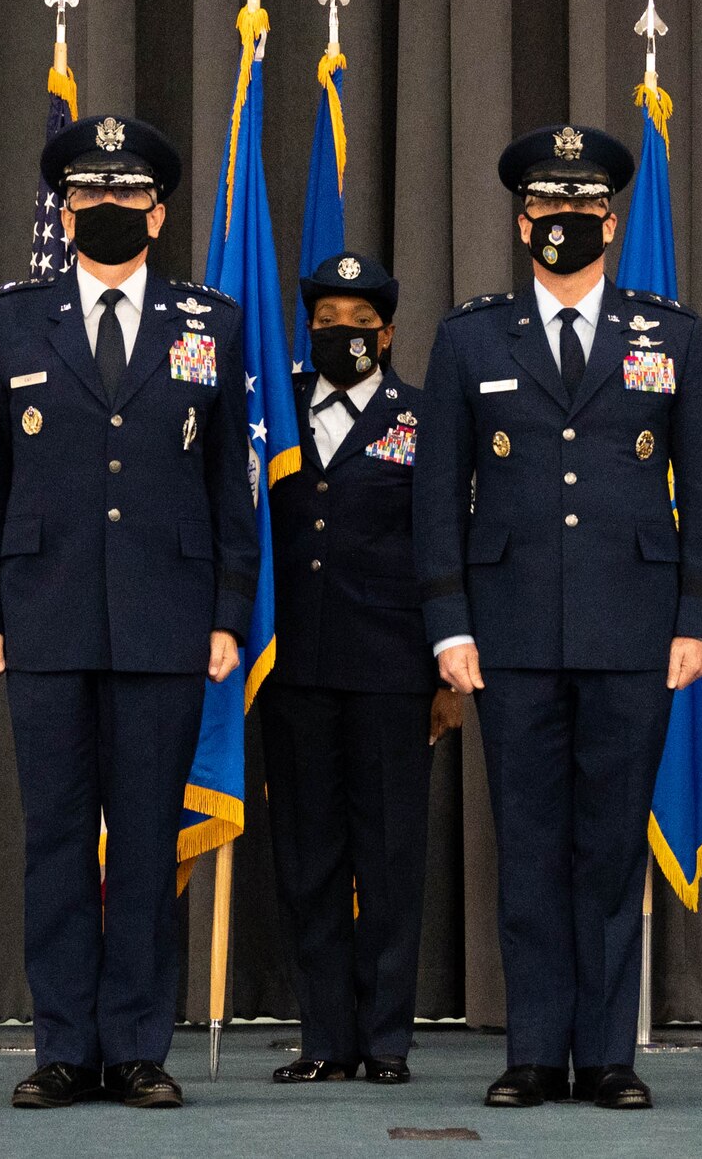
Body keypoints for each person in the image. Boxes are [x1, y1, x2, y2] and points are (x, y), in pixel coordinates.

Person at [414, 124, 702, 1110]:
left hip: (633, 627)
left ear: (610, 218)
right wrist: (448, 623)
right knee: (527, 843)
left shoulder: (667, 333)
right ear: (521, 220)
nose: (565, 222)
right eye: (546, 208)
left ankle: (603, 1055)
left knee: (606, 845)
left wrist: (696, 617)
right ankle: (529, 1050)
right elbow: (436, 492)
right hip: (504, 631)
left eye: (582, 208)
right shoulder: (472, 336)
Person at [0, 114, 257, 1109]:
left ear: (158, 210)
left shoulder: (208, 321)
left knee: (143, 840)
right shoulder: (13, 319)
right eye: (88, 195)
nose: (108, 210)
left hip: (167, 618)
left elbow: (230, 486)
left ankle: (135, 1044)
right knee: (52, 837)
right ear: (66, 208)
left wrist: (227, 614)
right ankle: (60, 1044)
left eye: (127, 196)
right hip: (41, 616)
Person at [264, 251, 462, 1086]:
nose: (340, 335)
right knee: (310, 859)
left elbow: (442, 547)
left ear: (386, 333)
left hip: (392, 672)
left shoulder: (421, 420)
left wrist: (449, 678)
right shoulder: (274, 420)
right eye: (324, 323)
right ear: (306, 332)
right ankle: (324, 1036)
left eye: (356, 324)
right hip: (297, 671)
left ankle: (385, 1038)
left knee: (387, 858)